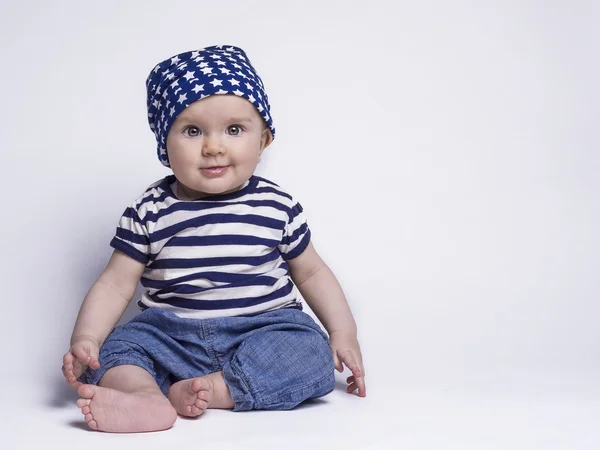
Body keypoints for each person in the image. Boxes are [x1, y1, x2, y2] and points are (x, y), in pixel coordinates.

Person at [61, 45, 366, 433]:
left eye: (234, 129)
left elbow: (312, 274)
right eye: (192, 131)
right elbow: (115, 283)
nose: (213, 146)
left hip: (262, 330)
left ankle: (218, 389)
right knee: (115, 350)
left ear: (264, 139)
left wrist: (343, 333)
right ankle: (143, 396)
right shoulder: (149, 210)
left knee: (310, 353)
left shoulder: (277, 205)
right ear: (164, 146)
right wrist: (86, 337)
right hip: (171, 336)